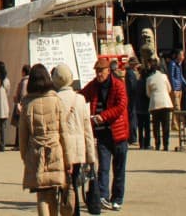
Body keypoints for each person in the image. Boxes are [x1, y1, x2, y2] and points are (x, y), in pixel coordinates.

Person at [18, 64, 71, 216]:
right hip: (55, 150)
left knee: (41, 194)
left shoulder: (27, 103)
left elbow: (23, 135)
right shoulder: (56, 100)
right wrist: (68, 159)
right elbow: (64, 132)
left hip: (35, 151)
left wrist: (24, 156)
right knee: (53, 191)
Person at [82, 57, 128, 211]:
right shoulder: (93, 86)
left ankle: (117, 198)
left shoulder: (119, 85)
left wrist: (104, 116)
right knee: (103, 167)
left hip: (119, 133)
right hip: (102, 134)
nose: (98, 74)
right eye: (96, 71)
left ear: (108, 70)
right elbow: (82, 96)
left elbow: (121, 105)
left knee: (119, 168)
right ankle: (102, 196)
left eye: (101, 71)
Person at [52, 63, 97, 216]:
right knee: (74, 185)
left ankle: (66, 211)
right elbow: (87, 130)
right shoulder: (80, 99)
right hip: (78, 151)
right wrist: (91, 157)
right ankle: (74, 211)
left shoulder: (54, 100)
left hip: (60, 149)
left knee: (62, 187)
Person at [146, 60, 173, 151]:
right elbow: (169, 89)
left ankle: (157, 144)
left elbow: (148, 93)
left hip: (154, 103)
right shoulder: (164, 76)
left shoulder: (149, 79)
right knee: (166, 126)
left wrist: (154, 95)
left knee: (156, 126)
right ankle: (166, 145)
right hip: (165, 103)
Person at [167, 50, 186, 132]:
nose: (183, 57)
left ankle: (175, 124)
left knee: (178, 108)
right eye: (181, 55)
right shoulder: (172, 64)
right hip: (175, 89)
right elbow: (171, 76)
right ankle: (175, 125)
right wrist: (173, 88)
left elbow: (181, 76)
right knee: (177, 107)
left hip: (180, 88)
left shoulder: (179, 65)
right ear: (177, 55)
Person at [134, 60, 152, 150]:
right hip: (146, 108)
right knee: (147, 127)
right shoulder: (147, 82)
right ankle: (147, 143)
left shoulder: (138, 82)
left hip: (139, 107)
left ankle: (141, 144)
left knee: (140, 127)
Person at [12, 63, 30, 146]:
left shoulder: (24, 82)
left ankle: (18, 144)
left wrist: (19, 102)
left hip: (22, 106)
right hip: (28, 105)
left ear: (24, 72)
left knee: (19, 125)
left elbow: (23, 94)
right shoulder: (30, 81)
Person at [125, 56, 141, 145]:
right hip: (132, 98)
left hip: (132, 98)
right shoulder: (130, 73)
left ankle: (132, 137)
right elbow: (132, 87)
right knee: (132, 118)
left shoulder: (131, 73)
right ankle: (132, 138)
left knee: (133, 117)